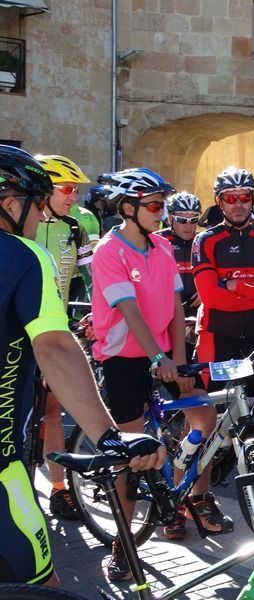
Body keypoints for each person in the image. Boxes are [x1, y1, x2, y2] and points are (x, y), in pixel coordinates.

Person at [0, 145, 164, 588]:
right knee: (41, 586)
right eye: (38, 204)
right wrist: (109, 436)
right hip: (2, 468)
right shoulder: (23, 256)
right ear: (10, 204)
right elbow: (55, 348)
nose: (41, 216)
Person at [93, 167, 217, 576]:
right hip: (125, 359)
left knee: (204, 415)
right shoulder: (109, 252)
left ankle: (176, 487)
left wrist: (177, 361)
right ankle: (122, 546)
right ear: (127, 208)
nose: (160, 213)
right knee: (130, 460)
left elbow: (177, 307)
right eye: (153, 206)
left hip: (163, 355)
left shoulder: (161, 246)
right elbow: (129, 311)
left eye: (161, 205)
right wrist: (157, 360)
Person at [192, 166, 254, 404]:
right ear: (219, 202)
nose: (238, 204)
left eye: (245, 197)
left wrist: (236, 286)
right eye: (230, 198)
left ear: (253, 200)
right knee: (207, 412)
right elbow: (211, 298)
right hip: (217, 339)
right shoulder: (205, 241)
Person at [32, 154, 96, 522]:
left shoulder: (76, 228)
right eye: (67, 189)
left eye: (75, 190)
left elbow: (91, 278)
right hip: (18, 334)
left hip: (54, 329)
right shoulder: (18, 225)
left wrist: (97, 311)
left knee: (53, 411)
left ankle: (59, 489)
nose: (74, 197)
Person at [156, 192, 202, 317]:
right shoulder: (156, 241)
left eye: (193, 220)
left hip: (196, 311)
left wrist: (207, 290)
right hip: (164, 310)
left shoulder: (203, 241)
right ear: (170, 219)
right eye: (182, 220)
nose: (188, 226)